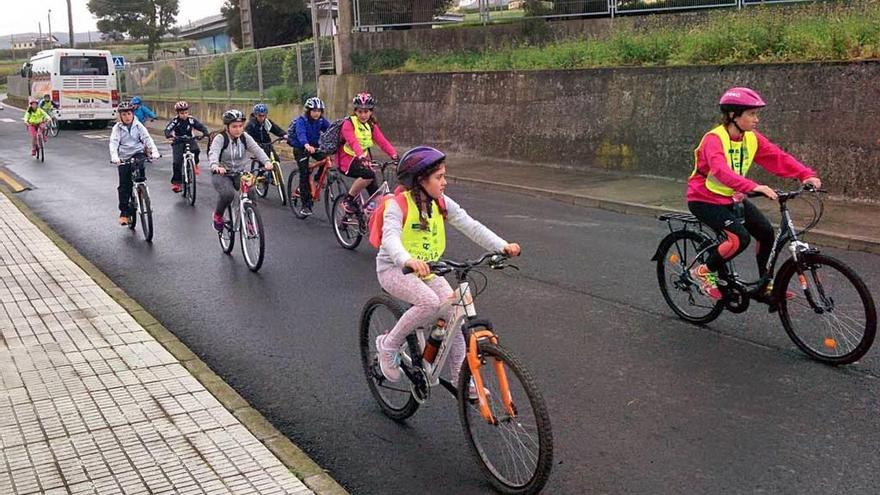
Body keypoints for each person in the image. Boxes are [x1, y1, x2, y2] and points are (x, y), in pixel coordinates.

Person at [373, 146, 521, 396]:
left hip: (428, 270)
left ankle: (462, 379)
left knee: (456, 311)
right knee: (429, 303)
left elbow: (470, 225)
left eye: (444, 175)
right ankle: (388, 345)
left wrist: (502, 246)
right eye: (439, 177)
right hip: (394, 269)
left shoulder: (441, 203)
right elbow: (390, 238)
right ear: (421, 180)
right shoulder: (398, 206)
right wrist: (406, 260)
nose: (445, 182)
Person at [687, 87, 822, 301]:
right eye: (751, 114)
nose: (756, 119)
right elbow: (721, 171)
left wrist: (805, 175)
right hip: (704, 199)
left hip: (731, 197)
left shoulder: (751, 138)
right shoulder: (714, 139)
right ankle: (702, 271)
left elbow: (777, 157)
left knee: (766, 232)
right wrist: (753, 186)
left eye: (756, 114)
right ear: (733, 115)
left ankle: (763, 286)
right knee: (739, 239)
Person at [209, 109, 273, 231]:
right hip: (222, 173)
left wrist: (267, 161)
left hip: (239, 172)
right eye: (234, 126)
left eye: (240, 126)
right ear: (227, 127)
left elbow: (257, 149)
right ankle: (218, 215)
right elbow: (214, 153)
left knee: (251, 192)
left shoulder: (244, 137)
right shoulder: (221, 138)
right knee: (228, 194)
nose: (238, 129)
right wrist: (215, 166)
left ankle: (249, 220)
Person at [337, 92, 398, 213]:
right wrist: (361, 156)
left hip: (362, 159)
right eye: (360, 111)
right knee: (368, 174)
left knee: (375, 195)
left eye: (366, 111)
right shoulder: (348, 124)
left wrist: (394, 155)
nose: (363, 115)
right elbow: (353, 142)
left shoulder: (371, 125)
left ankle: (370, 214)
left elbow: (382, 141)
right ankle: (348, 200)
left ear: (371, 112)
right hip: (347, 160)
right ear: (355, 111)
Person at [109, 100, 160, 226]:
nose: (127, 117)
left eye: (129, 114)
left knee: (140, 165)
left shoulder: (138, 125)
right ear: (120, 116)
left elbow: (147, 139)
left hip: (138, 152)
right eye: (124, 114)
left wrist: (154, 152)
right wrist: (115, 157)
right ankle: (124, 213)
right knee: (124, 186)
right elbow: (113, 143)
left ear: (133, 114)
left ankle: (141, 190)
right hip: (123, 156)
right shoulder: (117, 128)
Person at [287, 97, 330, 216]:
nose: (317, 113)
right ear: (308, 111)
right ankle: (306, 206)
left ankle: (317, 179)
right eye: (314, 110)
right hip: (301, 147)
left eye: (319, 110)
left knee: (325, 158)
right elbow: (301, 134)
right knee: (304, 174)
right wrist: (306, 144)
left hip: (314, 147)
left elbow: (331, 130)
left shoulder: (321, 121)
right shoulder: (302, 120)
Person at [164, 100, 209, 192]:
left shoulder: (191, 120)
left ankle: (195, 164)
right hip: (178, 141)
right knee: (177, 162)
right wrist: (169, 135)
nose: (184, 115)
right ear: (178, 113)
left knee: (196, 150)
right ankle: (176, 183)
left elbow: (201, 126)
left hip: (190, 139)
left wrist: (205, 133)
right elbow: (168, 129)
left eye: (186, 112)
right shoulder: (175, 121)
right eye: (181, 113)